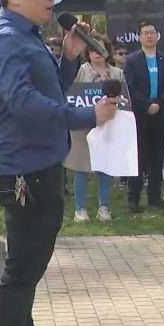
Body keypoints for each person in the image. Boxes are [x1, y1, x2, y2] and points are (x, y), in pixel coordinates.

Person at [0, 0, 118, 326]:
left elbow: (46, 93)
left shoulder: (28, 38)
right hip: (22, 170)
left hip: (40, 165)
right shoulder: (3, 41)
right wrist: (86, 116)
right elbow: (21, 104)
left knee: (30, 267)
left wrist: (67, 60)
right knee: (21, 270)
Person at [64, 33, 126, 223]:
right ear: (88, 53)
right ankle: (80, 209)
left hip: (108, 126)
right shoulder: (81, 70)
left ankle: (104, 207)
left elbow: (125, 100)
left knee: (104, 167)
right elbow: (72, 94)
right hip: (84, 125)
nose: (98, 53)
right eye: (93, 49)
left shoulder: (118, 74)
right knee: (82, 167)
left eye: (102, 49)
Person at [124, 21, 164, 212]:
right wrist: (147, 105)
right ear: (139, 36)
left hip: (160, 115)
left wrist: (159, 104)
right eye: (145, 33)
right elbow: (129, 87)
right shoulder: (131, 61)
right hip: (140, 115)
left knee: (157, 158)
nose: (149, 36)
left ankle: (155, 197)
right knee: (138, 158)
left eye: (152, 33)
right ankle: (133, 199)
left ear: (157, 36)